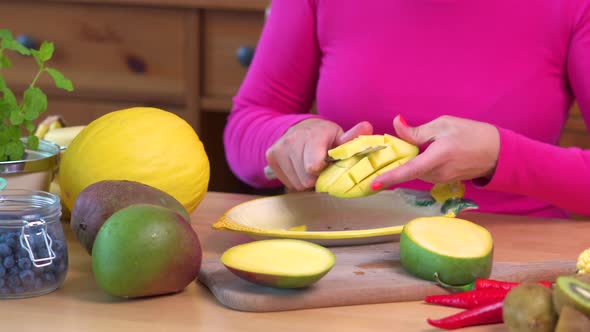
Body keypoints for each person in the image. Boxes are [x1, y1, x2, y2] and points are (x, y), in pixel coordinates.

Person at [223, 0, 590, 218]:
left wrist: (501, 156)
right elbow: (247, 123)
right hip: (343, 253)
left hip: (517, 265)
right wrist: (291, 135)